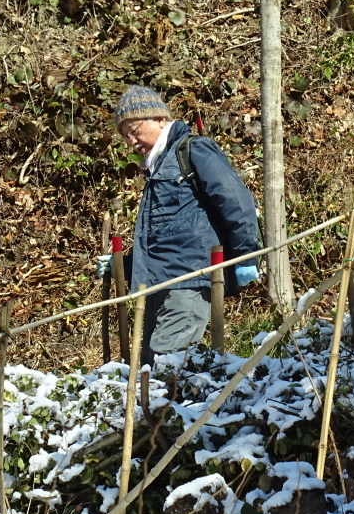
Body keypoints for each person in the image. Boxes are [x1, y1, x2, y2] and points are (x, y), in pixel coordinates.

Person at [96, 85, 260, 365]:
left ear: (160, 119)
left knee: (167, 361)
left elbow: (235, 199)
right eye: (126, 136)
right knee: (148, 363)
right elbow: (164, 236)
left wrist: (247, 255)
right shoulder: (158, 168)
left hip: (189, 279)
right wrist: (122, 264)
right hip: (160, 285)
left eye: (134, 129)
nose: (132, 141)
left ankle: (195, 409)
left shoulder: (194, 150)